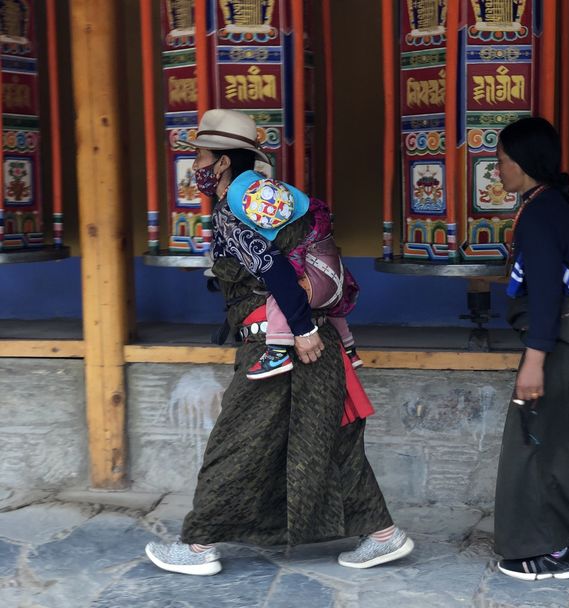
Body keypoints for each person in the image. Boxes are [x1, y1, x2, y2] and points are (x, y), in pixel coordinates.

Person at [145, 109, 414, 576]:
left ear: (225, 163)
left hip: (281, 340)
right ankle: (384, 535)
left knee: (236, 440)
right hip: (315, 335)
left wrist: (301, 330)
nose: (198, 167)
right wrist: (312, 329)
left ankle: (197, 546)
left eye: (203, 156)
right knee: (333, 438)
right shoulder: (277, 201)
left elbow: (272, 268)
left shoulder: (233, 210)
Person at [493, 117, 569, 581]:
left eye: (501, 160)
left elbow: (543, 292)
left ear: (522, 163)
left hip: (561, 345)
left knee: (533, 443)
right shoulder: (560, 202)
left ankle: (540, 549)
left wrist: (533, 362)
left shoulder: (540, 214)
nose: (496, 169)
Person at [223, 169, 363, 380]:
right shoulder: (315, 213)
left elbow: (292, 271)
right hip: (337, 280)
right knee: (335, 312)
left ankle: (277, 352)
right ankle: (351, 351)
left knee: (280, 293)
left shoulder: (292, 233)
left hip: (315, 287)